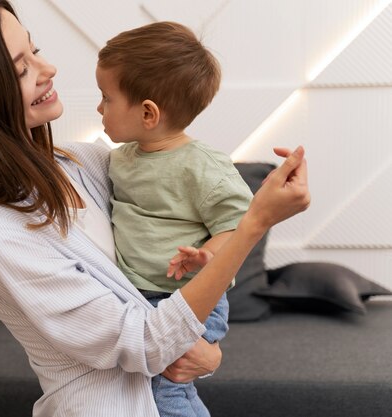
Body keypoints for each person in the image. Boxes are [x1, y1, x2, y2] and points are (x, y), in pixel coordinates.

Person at [0, 1, 310, 416]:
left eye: (35, 50)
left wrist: (210, 352)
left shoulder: (83, 163)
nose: (48, 69)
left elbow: (176, 197)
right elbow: (146, 343)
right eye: (21, 68)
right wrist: (255, 223)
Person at [96, 22, 253, 416]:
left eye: (106, 98)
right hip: (142, 299)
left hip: (187, 299)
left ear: (148, 113)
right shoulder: (117, 159)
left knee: (166, 395)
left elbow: (240, 225)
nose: (99, 108)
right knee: (146, 395)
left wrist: (208, 257)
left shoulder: (202, 167)